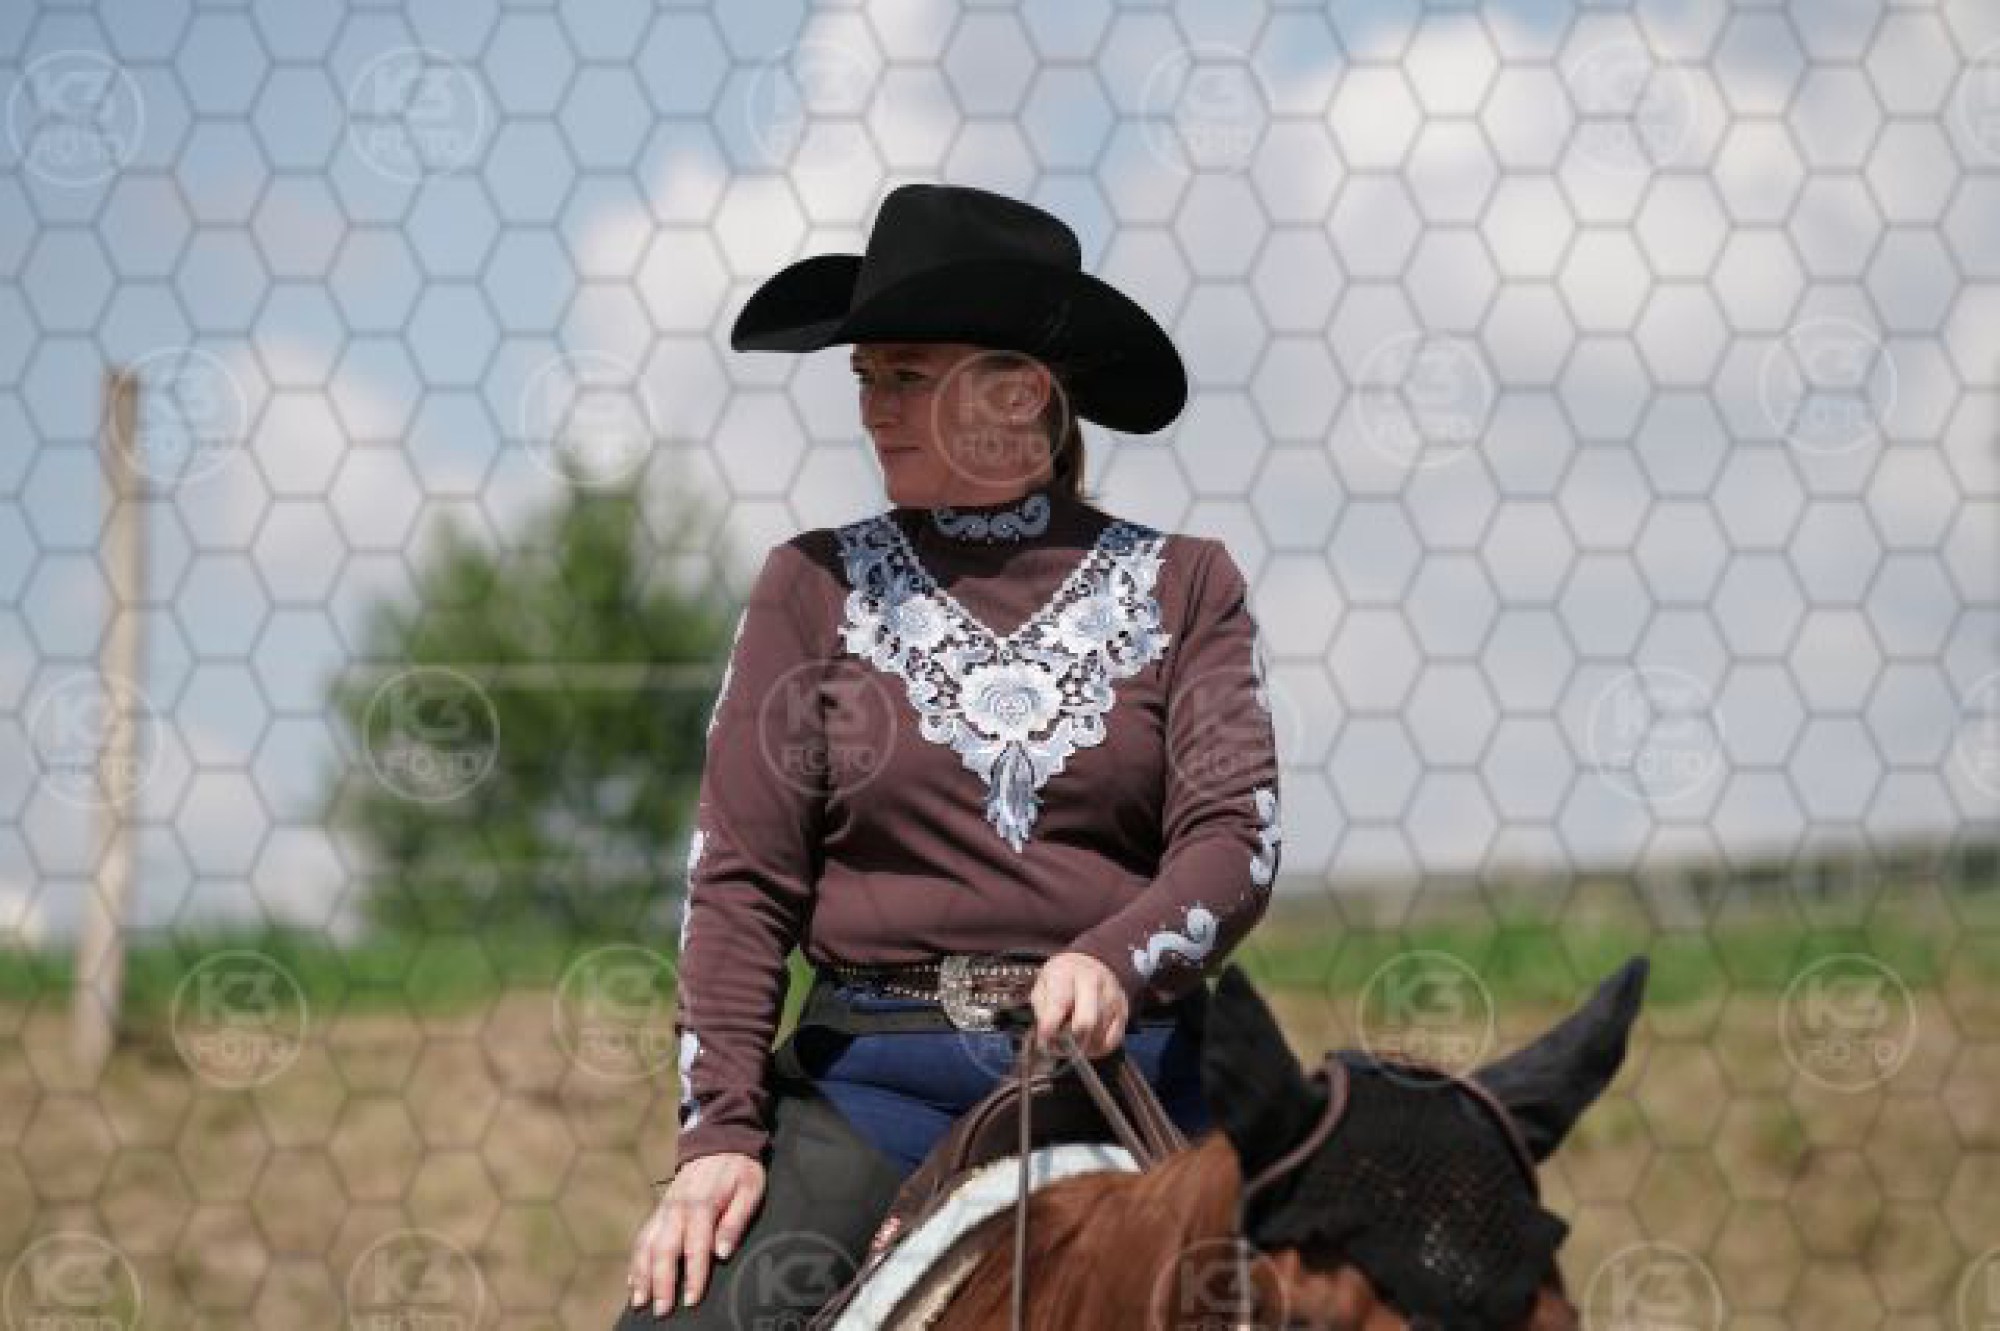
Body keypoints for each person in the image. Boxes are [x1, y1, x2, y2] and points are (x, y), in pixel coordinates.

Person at [616, 182, 1283, 1327]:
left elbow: (1234, 838)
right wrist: (716, 1133)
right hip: (875, 1087)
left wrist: (1113, 959)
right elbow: (738, 879)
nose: (873, 408)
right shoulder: (811, 586)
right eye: (865, 377)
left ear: (1020, 391)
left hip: (1132, 1071)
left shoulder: (1186, 585)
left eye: (907, 376)